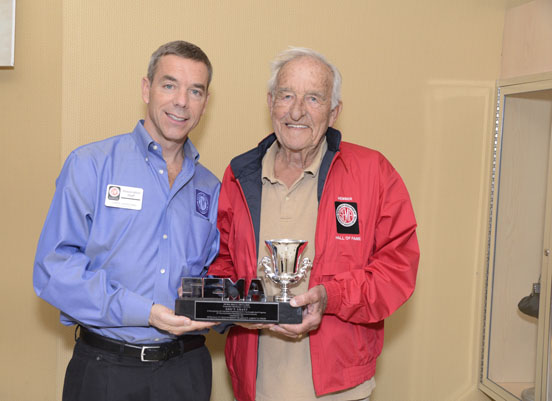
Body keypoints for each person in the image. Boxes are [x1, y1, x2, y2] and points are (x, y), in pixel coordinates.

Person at [208, 47, 420, 401]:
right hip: (255, 388)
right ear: (270, 102)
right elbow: (220, 262)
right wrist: (236, 308)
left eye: (313, 98)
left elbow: (397, 270)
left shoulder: (373, 173)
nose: (296, 111)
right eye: (286, 95)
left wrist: (331, 296)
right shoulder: (239, 174)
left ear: (334, 112)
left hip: (342, 390)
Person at [33, 40, 220, 401]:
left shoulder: (211, 188)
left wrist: (243, 307)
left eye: (195, 91)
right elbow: (53, 270)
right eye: (169, 85)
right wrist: (145, 312)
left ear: (205, 102)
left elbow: (215, 273)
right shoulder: (91, 165)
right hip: (106, 370)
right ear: (146, 89)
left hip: (186, 373)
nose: (182, 101)